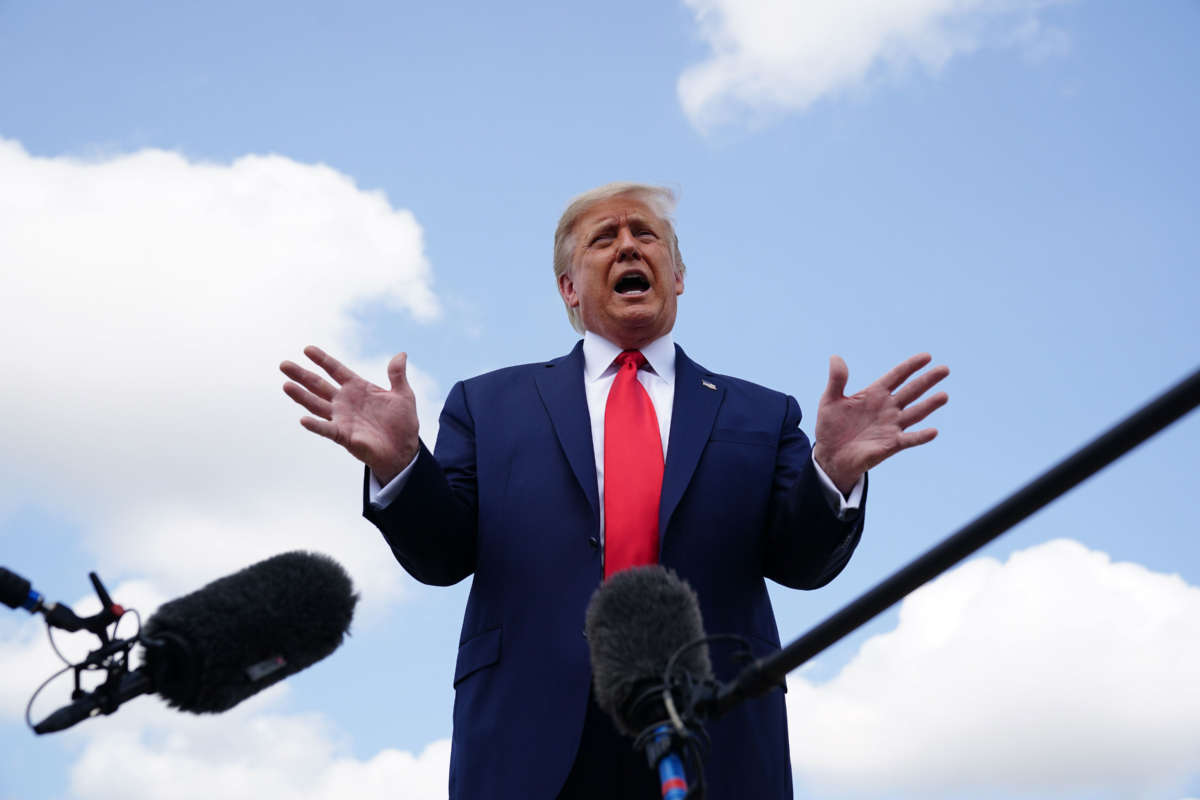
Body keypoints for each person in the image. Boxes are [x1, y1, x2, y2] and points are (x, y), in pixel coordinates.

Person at [280, 182, 949, 799]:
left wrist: (832, 473)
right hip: (529, 735)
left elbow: (802, 563)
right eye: (605, 238)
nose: (628, 245)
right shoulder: (489, 404)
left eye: (646, 235)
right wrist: (401, 464)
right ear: (569, 288)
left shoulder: (760, 414)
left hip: (712, 729)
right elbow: (441, 556)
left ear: (679, 278)